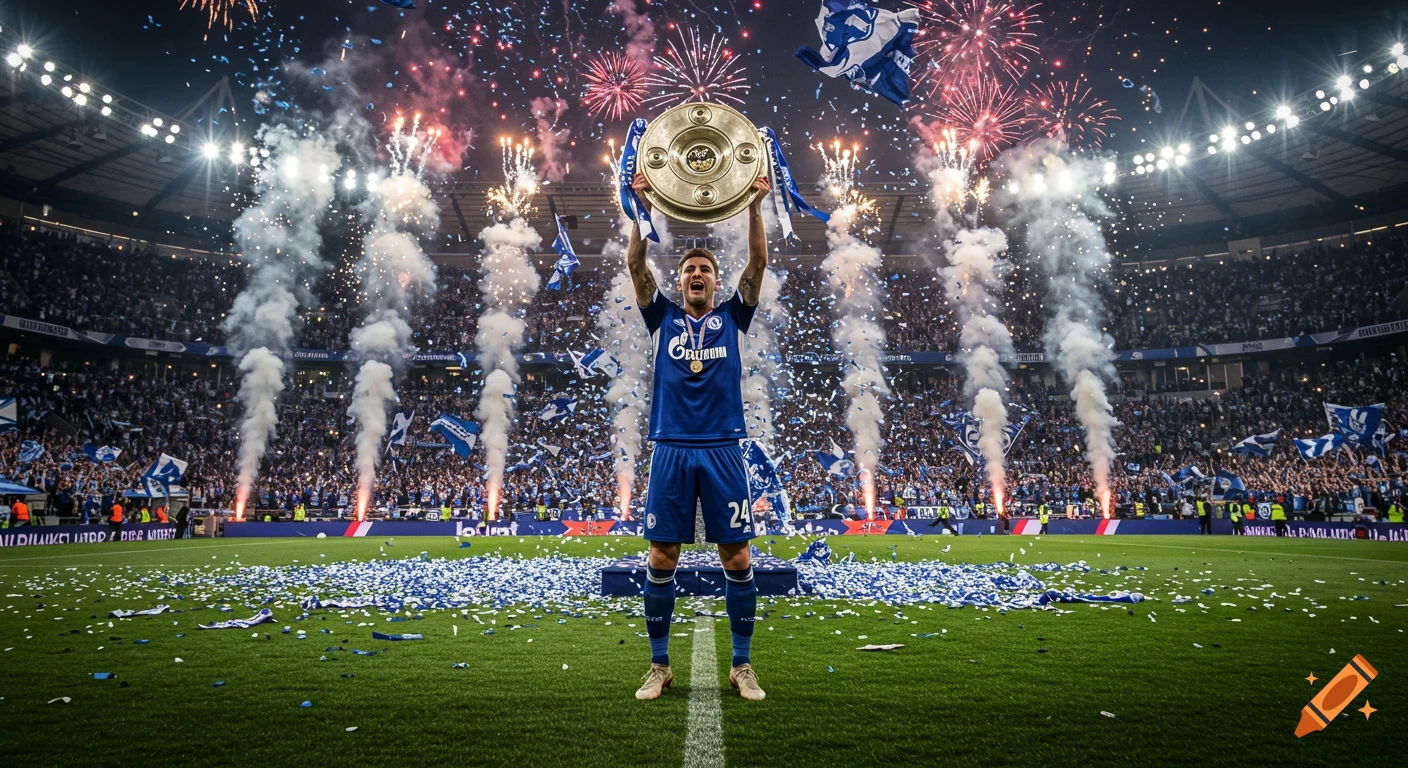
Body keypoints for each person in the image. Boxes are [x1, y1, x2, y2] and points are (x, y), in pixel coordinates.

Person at [628, 171, 771, 703]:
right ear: (680, 279)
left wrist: (755, 206)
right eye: (689, 268)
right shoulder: (661, 317)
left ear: (715, 281)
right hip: (669, 448)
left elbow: (757, 265)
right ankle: (659, 666)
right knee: (661, 557)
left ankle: (741, 664)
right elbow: (636, 266)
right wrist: (641, 209)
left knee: (737, 557)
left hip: (722, 449)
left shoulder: (734, 317)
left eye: (705, 269)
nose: (696, 274)